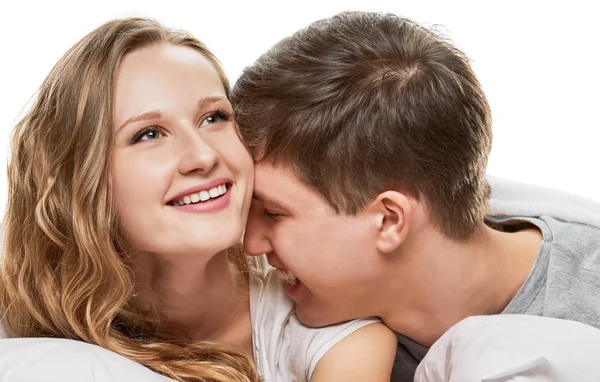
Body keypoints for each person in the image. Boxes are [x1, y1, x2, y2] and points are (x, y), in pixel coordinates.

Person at [0, 17, 396, 382]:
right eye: (149, 134)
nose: (203, 156)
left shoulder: (326, 325)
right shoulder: (23, 310)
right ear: (79, 179)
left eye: (214, 118)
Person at [231, 10, 600, 381]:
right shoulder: (309, 336)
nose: (252, 243)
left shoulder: (587, 307)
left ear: (389, 219)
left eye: (275, 214)